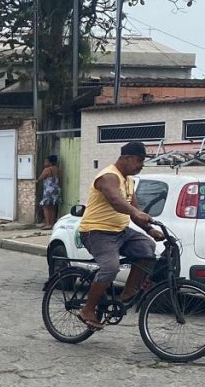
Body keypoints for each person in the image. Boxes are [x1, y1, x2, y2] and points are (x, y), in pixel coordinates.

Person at [77, 141, 164, 330]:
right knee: (110, 267)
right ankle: (87, 309)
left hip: (120, 232)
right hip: (97, 231)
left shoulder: (129, 181)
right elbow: (116, 201)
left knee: (147, 248)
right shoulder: (108, 176)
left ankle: (128, 293)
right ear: (128, 158)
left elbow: (135, 210)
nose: (141, 165)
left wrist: (150, 229)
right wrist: (135, 212)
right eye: (139, 161)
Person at [37, 154, 62, 229]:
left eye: (46, 162)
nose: (44, 163)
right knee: (52, 207)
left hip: (49, 190)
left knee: (46, 207)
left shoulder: (47, 170)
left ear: (50, 163)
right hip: (56, 190)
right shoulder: (58, 169)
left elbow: (41, 178)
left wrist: (36, 180)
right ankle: (52, 223)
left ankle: (48, 224)